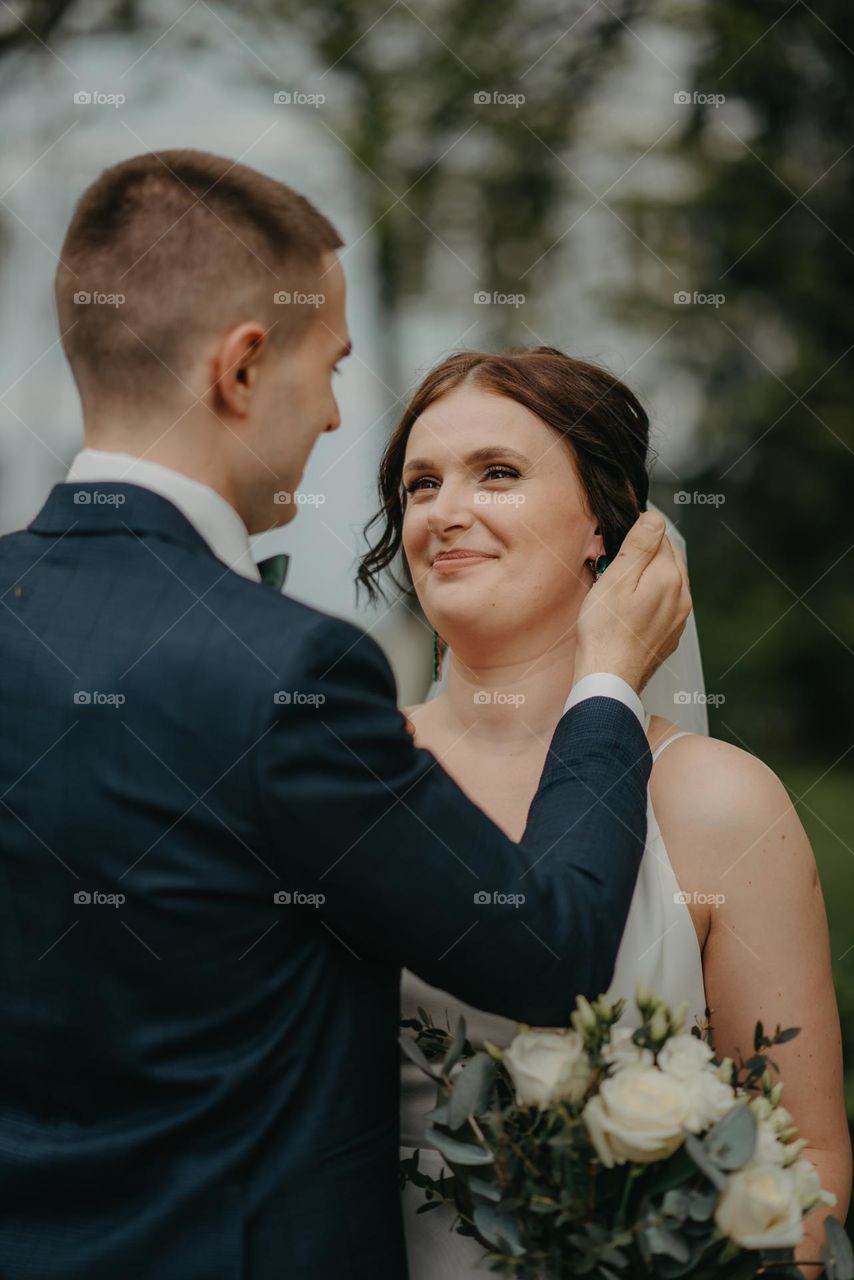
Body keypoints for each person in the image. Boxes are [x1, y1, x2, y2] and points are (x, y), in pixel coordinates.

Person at [0, 151, 689, 1280]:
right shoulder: (288, 672)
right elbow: (543, 950)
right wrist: (607, 679)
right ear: (242, 367)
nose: (332, 417)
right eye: (330, 368)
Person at [356, 346, 852, 1278]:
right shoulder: (351, 770)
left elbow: (806, 1165)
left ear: (601, 517)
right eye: (421, 485)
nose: (445, 512)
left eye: (496, 474)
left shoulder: (718, 799)